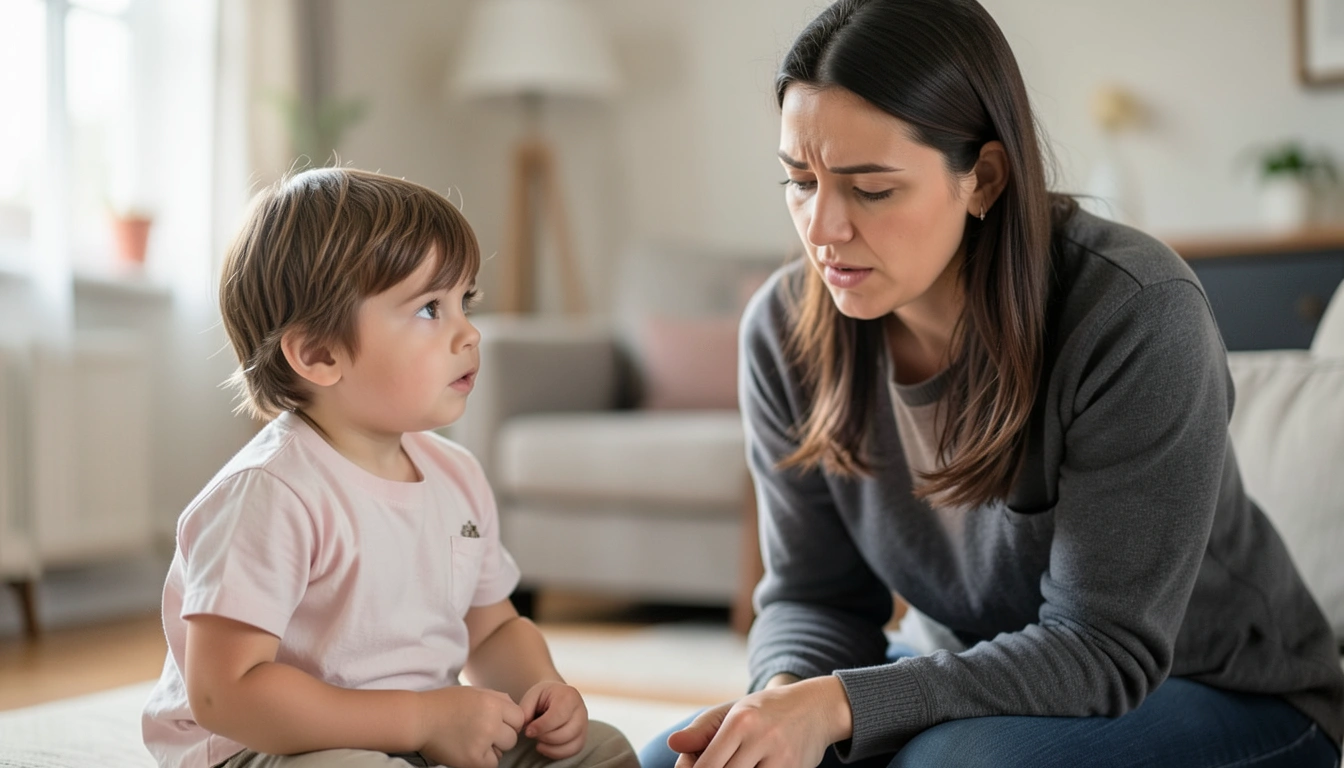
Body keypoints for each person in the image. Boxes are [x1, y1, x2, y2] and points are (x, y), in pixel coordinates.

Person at [638, 1, 1344, 766]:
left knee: (950, 764)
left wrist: (839, 705)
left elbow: (1103, 649)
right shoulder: (783, 330)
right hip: (981, 677)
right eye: (799, 180)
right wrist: (780, 707)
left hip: (1225, 689)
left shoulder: (1135, 313)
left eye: (870, 189)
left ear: (983, 178)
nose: (822, 228)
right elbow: (817, 596)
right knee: (670, 758)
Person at [141, 168, 640, 768]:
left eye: (466, 302)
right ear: (319, 354)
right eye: (431, 309)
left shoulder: (457, 477)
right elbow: (227, 693)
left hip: (422, 734)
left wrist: (542, 691)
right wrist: (422, 719)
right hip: (272, 748)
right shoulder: (270, 493)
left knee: (600, 749)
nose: (469, 333)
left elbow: (492, 630)